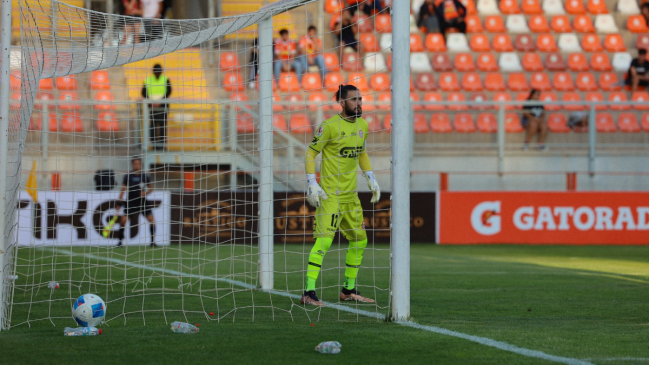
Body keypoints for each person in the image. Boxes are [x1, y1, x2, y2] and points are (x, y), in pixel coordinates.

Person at [300, 84, 381, 306]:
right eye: (354, 100)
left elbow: (361, 151)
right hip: (330, 196)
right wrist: (312, 183)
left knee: (360, 240)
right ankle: (308, 292)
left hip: (351, 196)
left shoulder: (363, 125)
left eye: (361, 99)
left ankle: (348, 290)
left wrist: (371, 177)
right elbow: (310, 153)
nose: (359, 103)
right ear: (342, 103)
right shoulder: (328, 127)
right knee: (324, 243)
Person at [115, 157, 156, 247]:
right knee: (123, 221)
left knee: (152, 220)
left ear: (141, 165)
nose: (136, 165)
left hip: (142, 202)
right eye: (135, 163)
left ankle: (153, 242)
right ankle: (120, 241)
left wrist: (146, 193)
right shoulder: (128, 176)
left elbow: (151, 189)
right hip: (131, 202)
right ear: (132, 165)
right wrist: (119, 202)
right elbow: (123, 190)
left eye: (138, 163)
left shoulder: (145, 176)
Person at [141, 64, 172, 150]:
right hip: (152, 107)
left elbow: (169, 92)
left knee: (162, 126)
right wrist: (151, 102)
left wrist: (160, 101)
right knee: (153, 126)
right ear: (153, 72)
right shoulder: (148, 80)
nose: (158, 73)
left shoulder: (165, 79)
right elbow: (143, 93)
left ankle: (162, 146)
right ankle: (154, 145)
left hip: (162, 107)